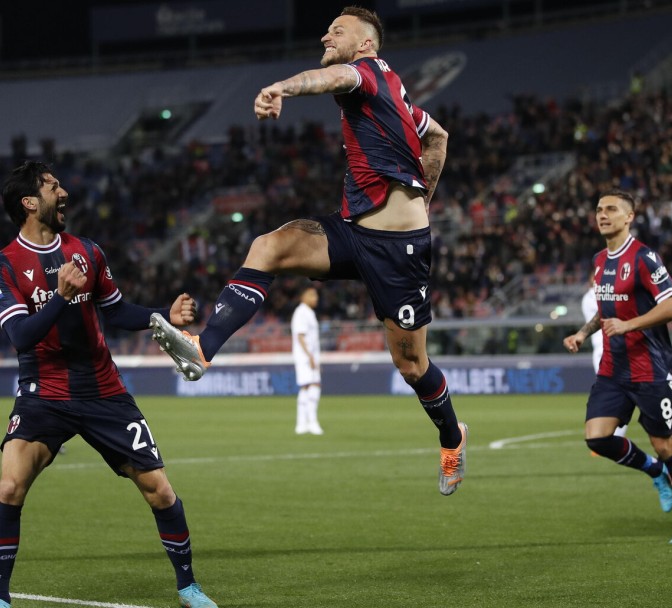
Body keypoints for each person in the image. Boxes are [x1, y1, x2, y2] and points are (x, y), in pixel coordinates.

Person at [151, 6, 468, 496]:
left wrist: (281, 88)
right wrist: (424, 195)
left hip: (398, 250)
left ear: (365, 43)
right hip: (352, 231)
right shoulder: (393, 96)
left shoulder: (365, 72)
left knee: (411, 365)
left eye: (337, 30)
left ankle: (452, 438)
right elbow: (438, 135)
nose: (325, 35)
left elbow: (331, 78)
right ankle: (202, 349)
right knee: (269, 246)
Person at [0, 162, 217, 607]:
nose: (63, 192)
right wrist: (60, 297)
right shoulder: (6, 264)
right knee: (8, 488)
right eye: (53, 187)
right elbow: (20, 336)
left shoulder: (87, 251)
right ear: (29, 203)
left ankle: (188, 587)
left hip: (104, 390)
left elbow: (115, 311)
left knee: (160, 490)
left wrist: (163, 315)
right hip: (44, 393)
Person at [563, 189, 672, 543]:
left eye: (611, 209)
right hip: (614, 368)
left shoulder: (644, 258)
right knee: (597, 437)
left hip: (649, 367)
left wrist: (629, 325)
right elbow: (605, 309)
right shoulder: (599, 261)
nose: (602, 215)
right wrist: (582, 333)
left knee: (665, 445)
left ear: (629, 217)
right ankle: (654, 471)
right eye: (599, 209)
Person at [581, 271, 628, 440]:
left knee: (621, 391)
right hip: (603, 349)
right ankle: (613, 435)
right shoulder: (589, 298)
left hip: (620, 348)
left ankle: (614, 435)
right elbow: (610, 312)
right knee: (614, 391)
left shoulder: (608, 293)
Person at [291, 285, 324, 435]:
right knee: (313, 385)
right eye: (312, 295)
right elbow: (300, 336)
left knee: (306, 387)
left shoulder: (308, 312)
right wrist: (310, 356)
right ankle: (311, 421)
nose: (315, 298)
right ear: (303, 297)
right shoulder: (301, 312)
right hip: (305, 356)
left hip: (308, 355)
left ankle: (302, 423)